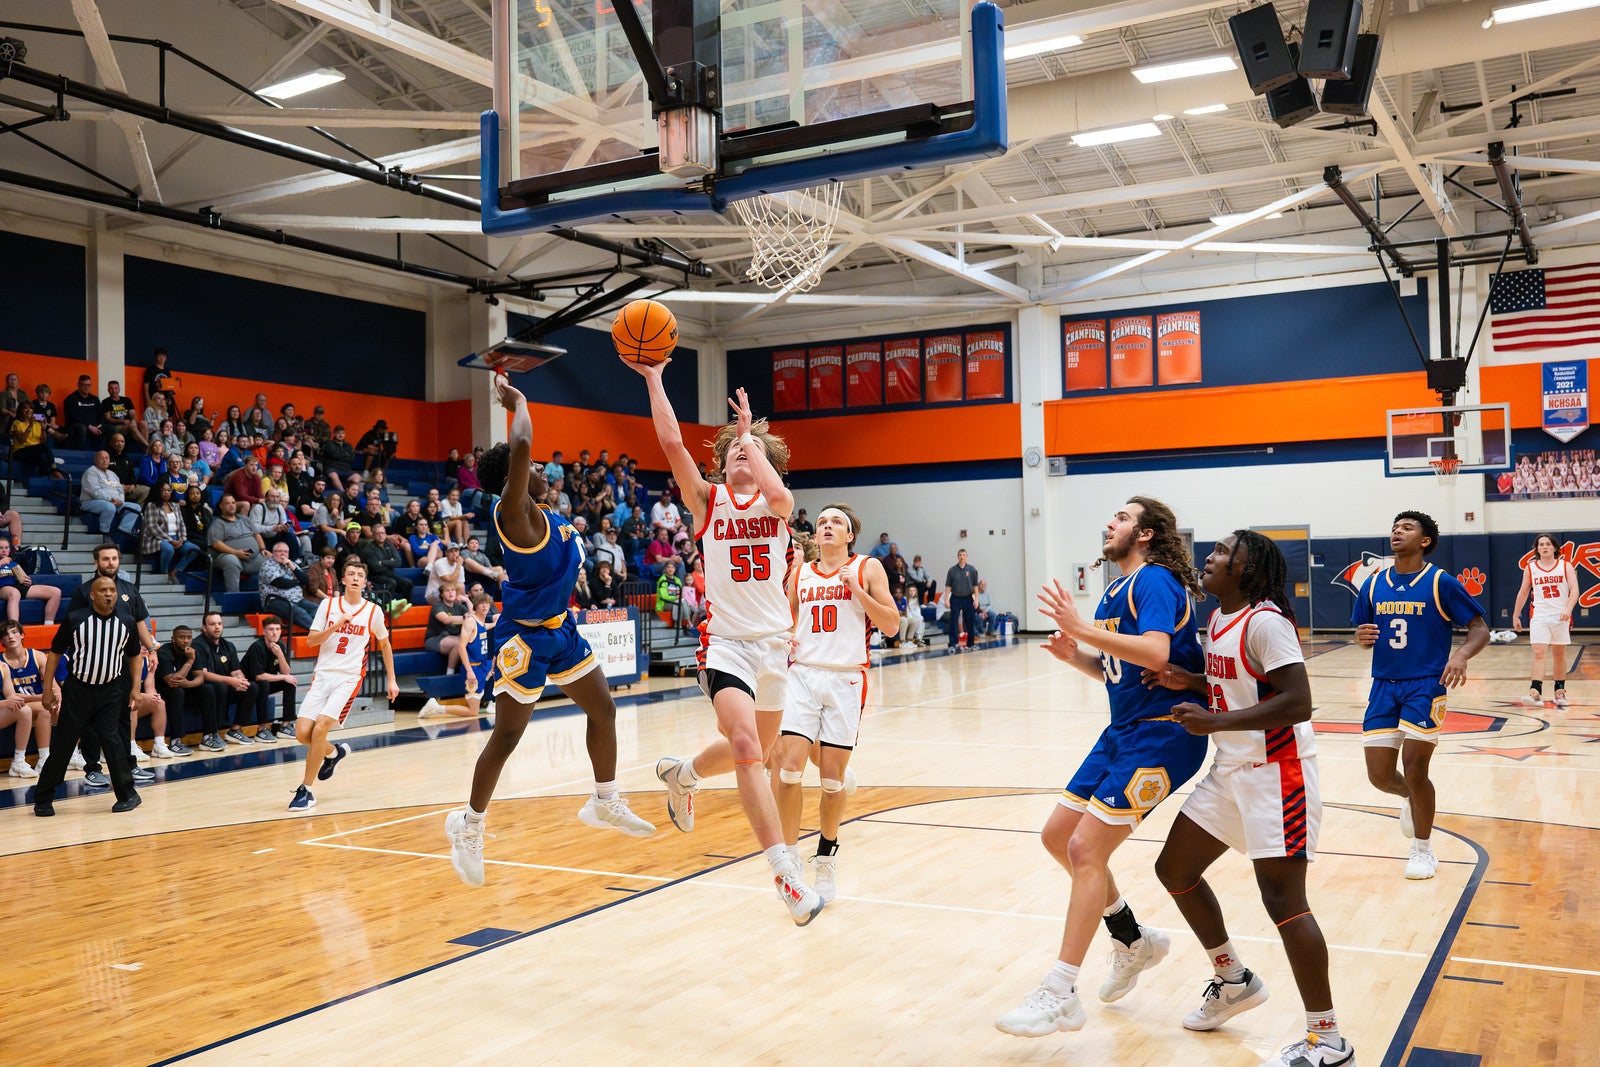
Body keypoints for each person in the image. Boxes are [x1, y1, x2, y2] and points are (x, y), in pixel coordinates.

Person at [995, 497, 1207, 1039]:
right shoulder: (1116, 587)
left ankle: (1061, 991)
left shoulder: (1155, 579)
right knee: (1058, 836)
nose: (1109, 521)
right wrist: (1079, 658)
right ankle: (1133, 938)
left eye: (1121, 516)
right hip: (1123, 730)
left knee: (1086, 849)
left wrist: (1083, 631)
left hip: (1165, 734)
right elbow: (1123, 668)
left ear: (1147, 533)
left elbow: (1157, 654)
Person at [1144, 531, 1353, 1066]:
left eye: (1220, 552)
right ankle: (1233, 979)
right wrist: (1186, 680)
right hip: (1231, 769)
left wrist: (1213, 720)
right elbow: (1236, 686)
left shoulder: (1266, 622)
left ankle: (1328, 1039)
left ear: (1247, 569)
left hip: (1277, 774)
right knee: (1174, 869)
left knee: (1284, 901)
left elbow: (1298, 701)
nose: (1207, 558)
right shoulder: (1218, 619)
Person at [630, 357, 823, 926]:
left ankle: (683, 773)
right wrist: (654, 378)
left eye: (753, 447)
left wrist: (750, 439)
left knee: (761, 750)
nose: (743, 450)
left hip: (773, 647)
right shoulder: (706, 502)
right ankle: (786, 876)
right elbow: (668, 440)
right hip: (725, 645)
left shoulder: (777, 506)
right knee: (746, 749)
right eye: (735, 447)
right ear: (719, 462)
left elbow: (780, 496)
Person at [443, 373, 655, 883]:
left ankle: (604, 800)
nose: (539, 469)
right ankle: (468, 826)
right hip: (522, 637)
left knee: (603, 708)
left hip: (561, 630)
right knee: (508, 736)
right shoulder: (512, 514)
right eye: (532, 468)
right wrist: (516, 401)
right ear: (515, 479)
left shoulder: (550, 516)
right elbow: (520, 443)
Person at [1352, 510, 1489, 880]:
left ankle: (1423, 850)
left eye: (1407, 528)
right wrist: (1361, 639)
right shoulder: (1374, 582)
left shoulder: (1440, 581)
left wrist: (1460, 655)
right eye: (1395, 527)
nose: (1397, 531)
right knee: (1379, 776)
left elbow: (1479, 628)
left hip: (1425, 685)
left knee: (1415, 767)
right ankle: (1410, 800)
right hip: (1383, 685)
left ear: (1424, 540)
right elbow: (1363, 633)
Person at [774, 504, 899, 904]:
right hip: (804, 675)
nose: (827, 527)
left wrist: (857, 591)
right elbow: (787, 620)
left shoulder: (867, 568)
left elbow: (892, 624)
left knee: (830, 781)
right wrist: (786, 636)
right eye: (822, 523)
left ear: (849, 536)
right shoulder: (800, 572)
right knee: (789, 768)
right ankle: (790, 858)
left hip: (846, 677)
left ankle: (826, 855)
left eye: (836, 524)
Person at [287, 558, 399, 811]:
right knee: (302, 733)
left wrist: (391, 679)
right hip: (323, 675)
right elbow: (310, 641)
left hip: (349, 678)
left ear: (364, 581)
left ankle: (307, 790)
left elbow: (385, 644)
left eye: (360, 574)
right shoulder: (328, 605)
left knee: (319, 730)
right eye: (351, 573)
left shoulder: (373, 611)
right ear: (344, 580)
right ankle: (334, 753)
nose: (356, 577)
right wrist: (336, 626)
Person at [31, 576, 145, 816]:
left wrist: (135, 688)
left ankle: (128, 794)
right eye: (103, 590)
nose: (109, 594)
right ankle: (43, 798)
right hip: (77, 690)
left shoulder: (127, 622)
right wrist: (48, 689)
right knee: (63, 745)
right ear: (92, 595)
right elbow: (54, 654)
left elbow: (135, 656)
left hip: (111, 691)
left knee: (113, 743)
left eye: (112, 590)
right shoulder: (75, 619)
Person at [1512, 533, 1577, 708]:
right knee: (1539, 653)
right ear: (1537, 549)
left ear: (1555, 548)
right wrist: (1516, 614)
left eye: (1548, 544)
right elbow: (1523, 592)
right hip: (1539, 615)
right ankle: (1535, 692)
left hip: (1560, 616)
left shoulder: (1565, 566)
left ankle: (1560, 691)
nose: (1544, 547)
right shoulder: (1531, 568)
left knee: (1559, 655)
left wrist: (1568, 610)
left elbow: (1574, 590)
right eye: (1541, 544)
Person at [419, 592, 495, 719]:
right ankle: (437, 708)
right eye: (482, 603)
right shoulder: (471, 621)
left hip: (482, 665)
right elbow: (461, 646)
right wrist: (469, 671)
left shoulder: (481, 622)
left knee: (499, 667)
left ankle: (493, 701)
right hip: (473, 668)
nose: (485, 606)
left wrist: (495, 624)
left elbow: (484, 627)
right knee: (473, 712)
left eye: (487, 603)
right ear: (476, 605)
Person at [193, 611, 262, 746]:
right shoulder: (198, 645)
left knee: (252, 687)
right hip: (203, 689)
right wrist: (231, 680)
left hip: (224, 687)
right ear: (204, 628)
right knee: (218, 687)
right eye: (212, 624)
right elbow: (203, 674)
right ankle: (212, 733)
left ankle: (235, 730)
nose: (217, 627)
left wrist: (241, 680)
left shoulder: (228, 645)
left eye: (219, 624)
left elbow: (235, 671)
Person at [1, 620, 53, 777]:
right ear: (2, 640)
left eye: (14, 632)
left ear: (22, 635)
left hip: (18, 706)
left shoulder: (3, 668)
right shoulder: (5, 662)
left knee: (27, 710)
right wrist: (7, 702)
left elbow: (11, 695)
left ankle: (22, 761)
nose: (10, 637)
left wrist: (54, 696)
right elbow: (10, 699)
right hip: (5, 706)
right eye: (6, 634)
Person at [243, 617, 299, 742]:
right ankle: (261, 729)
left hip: (265, 683)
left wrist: (280, 655)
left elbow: (286, 672)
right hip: (249, 685)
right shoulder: (257, 647)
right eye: (271, 629)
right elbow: (259, 676)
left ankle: (285, 726)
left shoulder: (280, 645)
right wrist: (284, 676)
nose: (275, 632)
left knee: (290, 682)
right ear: (264, 632)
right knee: (264, 684)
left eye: (278, 629)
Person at [154, 625, 207, 754]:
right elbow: (172, 682)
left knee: (208, 689)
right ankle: (175, 741)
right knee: (176, 692)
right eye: (181, 637)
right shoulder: (164, 652)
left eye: (189, 637)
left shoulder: (194, 651)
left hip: (184, 689)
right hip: (163, 691)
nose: (186, 640)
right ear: (173, 639)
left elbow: (200, 678)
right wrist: (190, 661)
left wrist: (188, 684)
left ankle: (210, 735)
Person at [140, 481, 203, 583]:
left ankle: (174, 572)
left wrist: (182, 539)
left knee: (194, 549)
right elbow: (153, 527)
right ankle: (163, 572)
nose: (166, 492)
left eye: (168, 490)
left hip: (177, 538)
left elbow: (182, 524)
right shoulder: (152, 505)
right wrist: (170, 540)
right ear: (157, 491)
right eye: (163, 490)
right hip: (156, 539)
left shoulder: (175, 505)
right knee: (169, 549)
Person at [208, 495, 268, 593]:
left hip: (253, 558)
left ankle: (267, 595)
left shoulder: (245, 519)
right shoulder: (218, 524)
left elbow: (256, 534)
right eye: (227, 503)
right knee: (231, 561)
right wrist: (235, 553)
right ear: (221, 506)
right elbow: (216, 544)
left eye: (233, 502)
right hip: (227, 556)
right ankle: (234, 596)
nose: (231, 505)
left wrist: (263, 549)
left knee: (270, 559)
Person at [0, 535, 61, 623]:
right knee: (14, 593)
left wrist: (27, 580)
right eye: (1, 548)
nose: (4, 550)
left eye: (6, 547)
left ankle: (48, 625)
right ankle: (14, 627)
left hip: (18, 586)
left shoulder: (13, 562)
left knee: (55, 592)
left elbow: (23, 577)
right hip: (3, 588)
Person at [260, 540, 316, 631]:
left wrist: (292, 566)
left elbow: (305, 580)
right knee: (299, 612)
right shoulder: (268, 565)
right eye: (279, 551)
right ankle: (319, 633)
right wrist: (298, 581)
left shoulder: (292, 564)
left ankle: (322, 632)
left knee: (317, 609)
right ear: (273, 553)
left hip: (297, 599)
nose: (283, 554)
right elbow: (281, 583)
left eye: (286, 552)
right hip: (275, 600)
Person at [425, 582, 468, 671]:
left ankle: (463, 671)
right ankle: (450, 673)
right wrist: (466, 618)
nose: (451, 593)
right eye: (447, 591)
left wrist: (468, 601)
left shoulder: (460, 607)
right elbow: (446, 619)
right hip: (435, 638)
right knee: (460, 643)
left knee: (466, 642)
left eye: (453, 590)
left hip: (454, 637)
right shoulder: (438, 606)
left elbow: (473, 617)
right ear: (442, 594)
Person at [945, 548, 979, 650]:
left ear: (966, 556)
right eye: (960, 555)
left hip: (968, 598)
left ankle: (971, 643)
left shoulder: (972, 569)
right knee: (954, 621)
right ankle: (952, 644)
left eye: (964, 555)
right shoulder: (952, 570)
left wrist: (976, 599)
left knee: (970, 621)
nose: (962, 557)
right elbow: (948, 586)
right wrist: (946, 599)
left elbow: (975, 586)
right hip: (955, 598)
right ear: (957, 556)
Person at [62, 374, 105, 450]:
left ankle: (109, 454)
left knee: (111, 429)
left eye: (89, 385)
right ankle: (79, 453)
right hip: (77, 426)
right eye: (84, 385)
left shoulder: (94, 399)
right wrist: (89, 426)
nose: (87, 387)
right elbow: (73, 417)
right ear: (79, 385)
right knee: (82, 428)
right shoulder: (71, 399)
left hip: (95, 426)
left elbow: (101, 413)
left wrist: (100, 424)